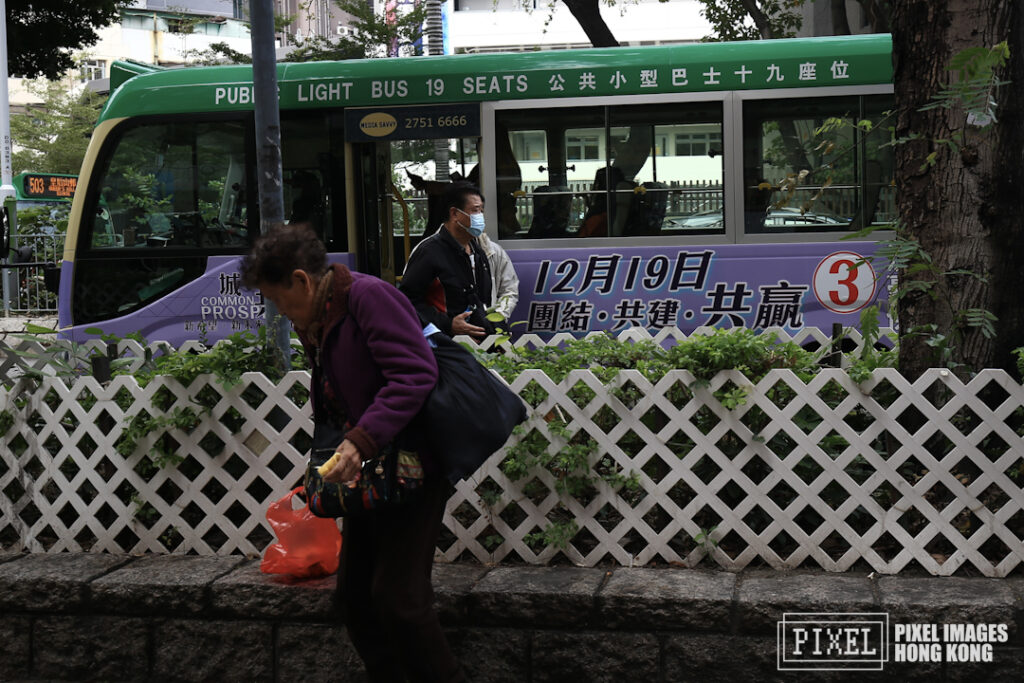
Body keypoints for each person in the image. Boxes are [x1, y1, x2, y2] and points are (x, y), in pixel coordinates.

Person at [240, 224, 464, 683]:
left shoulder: (368, 298)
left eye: (279, 301)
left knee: (400, 599)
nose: (280, 313)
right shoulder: (324, 313)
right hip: (372, 468)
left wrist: (360, 439)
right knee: (356, 600)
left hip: (413, 464)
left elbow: (414, 375)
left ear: (301, 280)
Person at [400, 182, 514, 339]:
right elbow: (406, 302)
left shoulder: (478, 251)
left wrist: (495, 327)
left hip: (480, 346)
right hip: (445, 344)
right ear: (454, 213)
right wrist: (448, 324)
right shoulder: (429, 252)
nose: (480, 216)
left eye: (481, 210)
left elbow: (481, 302)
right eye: (475, 211)